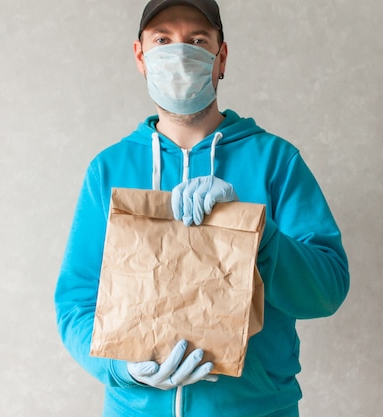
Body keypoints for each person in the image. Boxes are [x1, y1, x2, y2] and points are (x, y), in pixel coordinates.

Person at [54, 0, 350, 416]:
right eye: (162, 40)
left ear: (220, 56)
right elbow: (77, 303)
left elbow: (328, 290)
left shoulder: (276, 161)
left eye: (196, 40)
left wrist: (259, 236)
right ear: (140, 56)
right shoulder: (108, 170)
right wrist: (121, 368)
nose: (178, 54)